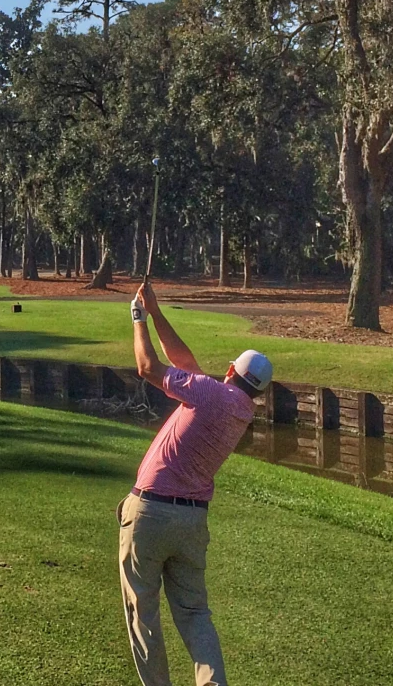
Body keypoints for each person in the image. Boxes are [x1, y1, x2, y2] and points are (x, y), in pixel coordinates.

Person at [119, 280, 271, 686]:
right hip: (191, 523)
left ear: (230, 371)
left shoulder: (208, 393)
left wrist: (137, 318)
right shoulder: (238, 408)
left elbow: (147, 367)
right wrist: (156, 311)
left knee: (143, 611)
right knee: (194, 613)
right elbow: (185, 364)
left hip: (151, 512)